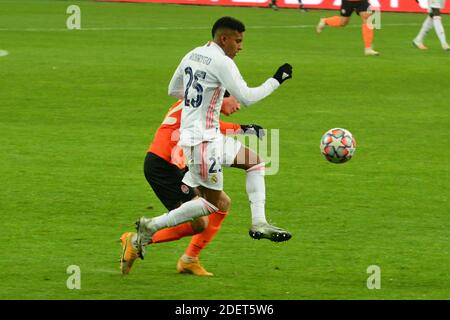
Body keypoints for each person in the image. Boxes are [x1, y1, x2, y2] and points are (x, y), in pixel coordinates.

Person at [129, 16, 293, 265]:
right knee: (212, 204)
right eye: (237, 41)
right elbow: (248, 97)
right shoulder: (222, 62)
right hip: (202, 142)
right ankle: (151, 225)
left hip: (207, 134)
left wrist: (209, 94)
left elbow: (174, 89)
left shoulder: (194, 53)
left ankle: (259, 222)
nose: (240, 47)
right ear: (224, 39)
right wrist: (277, 79)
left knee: (255, 162)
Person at [120, 96, 268, 276]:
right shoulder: (200, 104)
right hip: (164, 165)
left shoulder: (197, 99)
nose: (238, 106)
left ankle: (189, 259)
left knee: (222, 203)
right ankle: (136, 240)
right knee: (199, 223)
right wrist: (243, 129)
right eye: (236, 100)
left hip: (179, 163)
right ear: (222, 95)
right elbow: (211, 128)